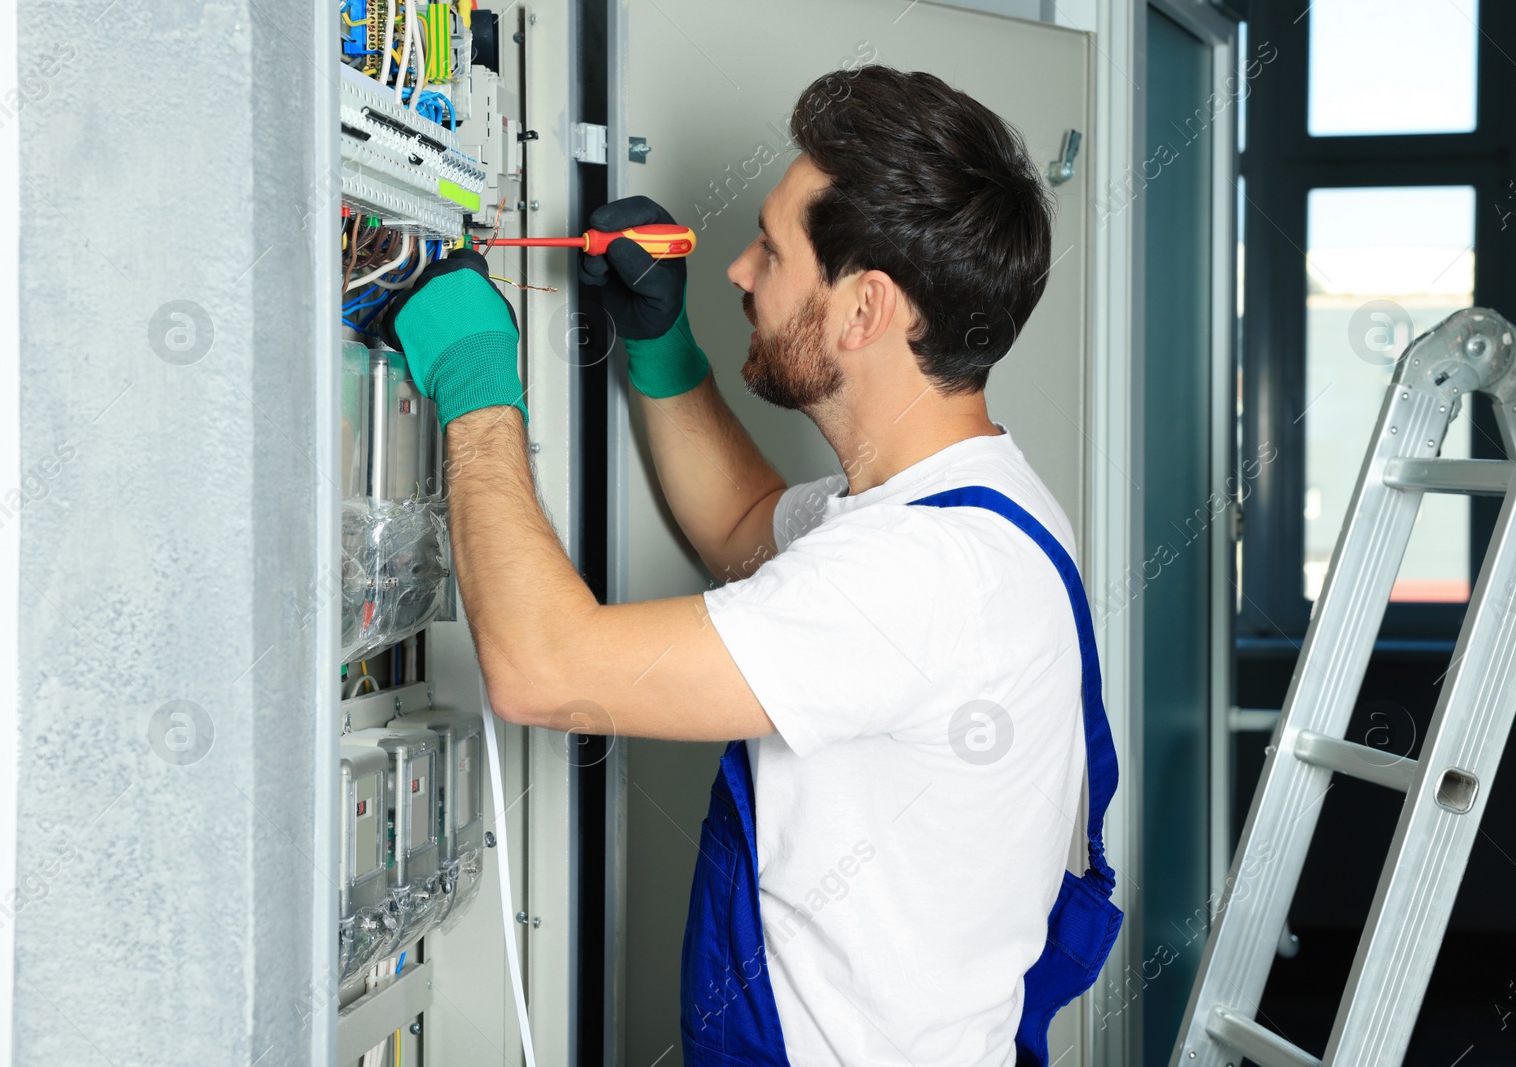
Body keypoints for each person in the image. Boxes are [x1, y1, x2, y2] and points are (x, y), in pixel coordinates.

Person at [380, 64, 1120, 1067]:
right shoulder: (967, 499)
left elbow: (542, 669)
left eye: (771, 250)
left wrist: (474, 380)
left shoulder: (918, 571)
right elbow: (747, 523)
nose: (737, 269)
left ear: (864, 310)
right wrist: (658, 342)